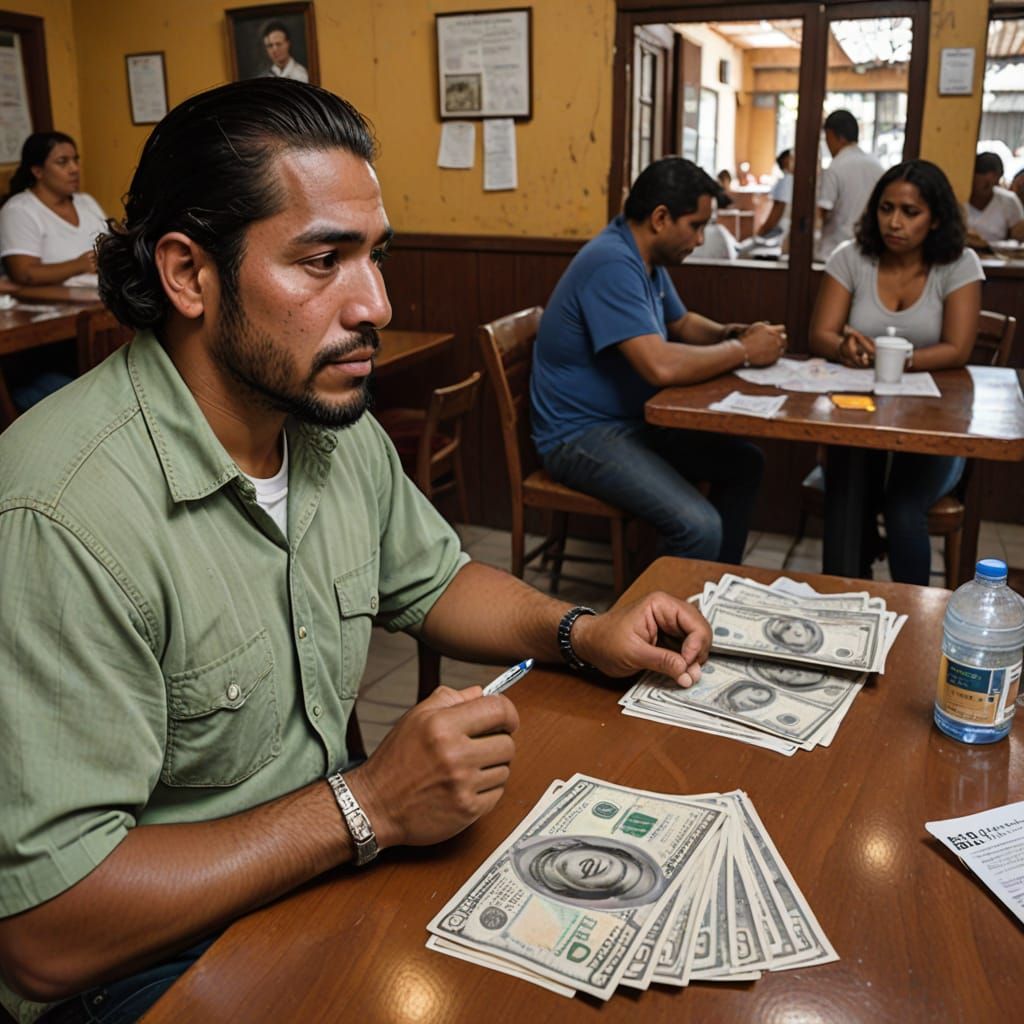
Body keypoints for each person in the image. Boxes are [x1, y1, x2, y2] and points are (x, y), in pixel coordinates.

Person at [0, 80, 713, 1024]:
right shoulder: (58, 513)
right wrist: (369, 804)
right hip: (144, 968)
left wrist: (583, 630)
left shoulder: (325, 424)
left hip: (319, 878)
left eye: (375, 256)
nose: (375, 301)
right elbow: (47, 932)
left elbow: (435, 578)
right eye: (321, 260)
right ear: (188, 275)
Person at [530, 157, 787, 564]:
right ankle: (663, 605)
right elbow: (660, 366)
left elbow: (681, 323)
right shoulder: (612, 262)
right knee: (698, 525)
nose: (700, 240)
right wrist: (743, 351)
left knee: (745, 463)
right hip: (579, 435)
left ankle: (715, 582)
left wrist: (732, 333)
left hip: (631, 422)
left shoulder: (641, 256)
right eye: (696, 226)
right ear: (661, 218)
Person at [810, 159, 983, 584]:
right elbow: (821, 334)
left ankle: (913, 615)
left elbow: (958, 348)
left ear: (935, 219)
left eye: (910, 212)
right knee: (848, 490)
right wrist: (844, 347)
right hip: (860, 420)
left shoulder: (958, 263)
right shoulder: (850, 257)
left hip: (935, 425)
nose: (894, 222)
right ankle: (845, 597)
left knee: (904, 508)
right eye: (886, 209)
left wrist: (899, 359)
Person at [0, 131, 107, 286]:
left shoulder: (86, 201)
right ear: (38, 171)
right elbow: (24, 274)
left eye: (75, 160)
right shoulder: (18, 210)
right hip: (62, 298)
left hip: (104, 292)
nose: (74, 169)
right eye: (62, 162)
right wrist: (78, 265)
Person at [816, 109, 884, 261]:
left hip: (834, 252)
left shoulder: (836, 167)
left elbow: (823, 212)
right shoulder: (876, 166)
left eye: (827, 138)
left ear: (834, 135)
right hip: (868, 251)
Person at [964, 152, 1024, 247]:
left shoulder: (1009, 201)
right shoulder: (960, 199)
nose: (991, 186)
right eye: (985, 185)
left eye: (993, 183)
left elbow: (1019, 240)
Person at [756, 149, 793, 243]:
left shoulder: (788, 180)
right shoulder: (787, 180)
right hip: (779, 233)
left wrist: (759, 233)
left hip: (780, 233)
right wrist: (760, 233)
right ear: (786, 162)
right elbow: (776, 212)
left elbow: (775, 215)